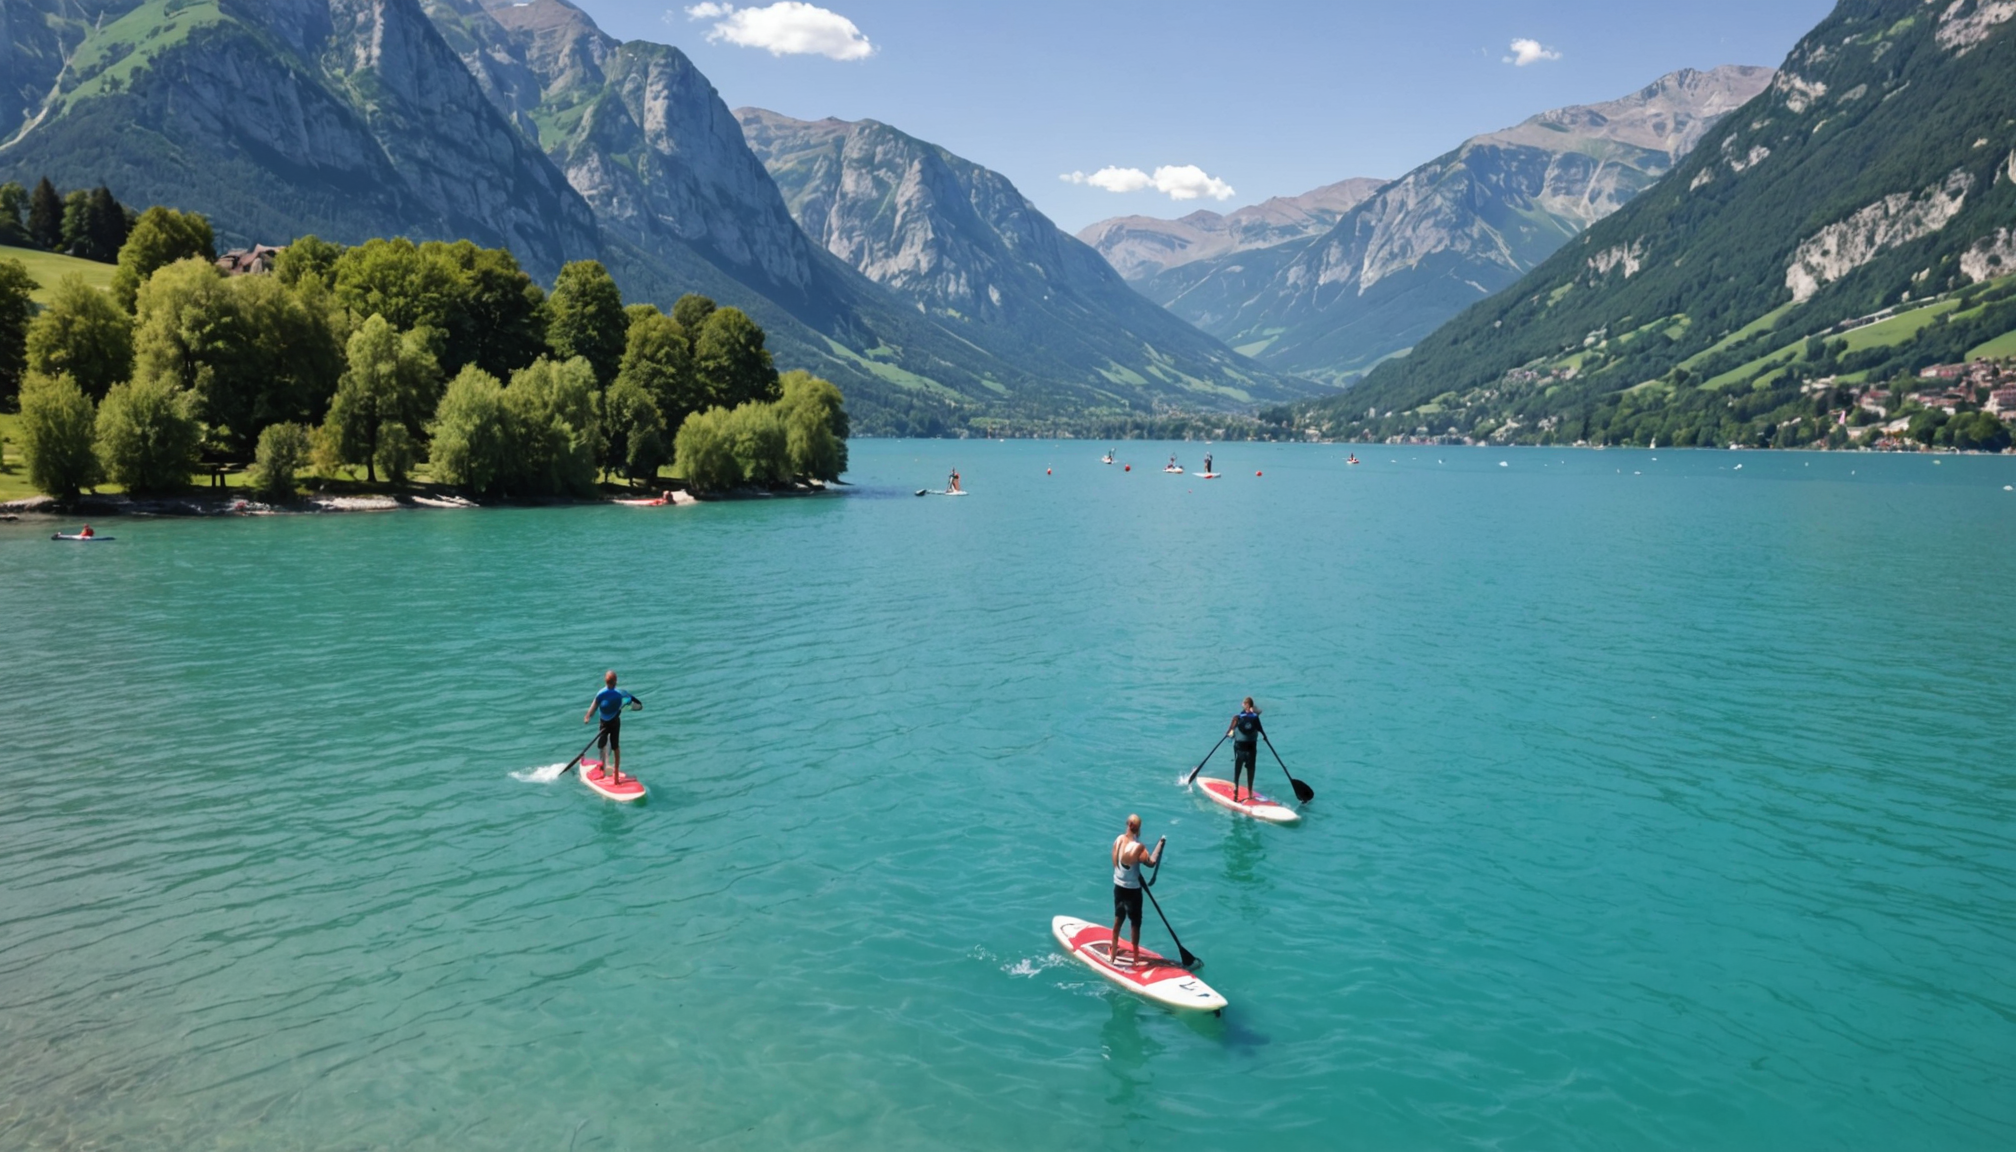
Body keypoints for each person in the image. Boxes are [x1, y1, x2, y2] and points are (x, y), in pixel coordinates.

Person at [1110, 814, 1165, 967]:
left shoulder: (1118, 840)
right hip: (1133, 891)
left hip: (1118, 887)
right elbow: (1151, 863)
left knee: (1118, 919)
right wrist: (1160, 845)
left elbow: (1120, 867)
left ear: (1127, 824)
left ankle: (1112, 955)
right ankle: (1135, 958)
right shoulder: (1138, 847)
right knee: (1135, 923)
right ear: (1138, 828)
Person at [582, 670, 640, 784]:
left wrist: (587, 717)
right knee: (616, 747)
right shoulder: (619, 694)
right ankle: (616, 777)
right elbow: (630, 703)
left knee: (602, 745)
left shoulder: (601, 693)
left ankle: (604, 769)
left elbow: (594, 706)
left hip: (604, 723)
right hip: (615, 722)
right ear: (616, 682)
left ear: (605, 681)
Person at [1226, 697, 1264, 802]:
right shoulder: (1255, 718)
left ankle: (1236, 790)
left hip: (1240, 751)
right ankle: (1250, 793)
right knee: (1251, 771)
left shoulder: (1236, 718)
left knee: (1237, 770)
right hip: (1251, 751)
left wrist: (1229, 733)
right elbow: (1260, 712)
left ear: (1244, 705)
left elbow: (1228, 733)